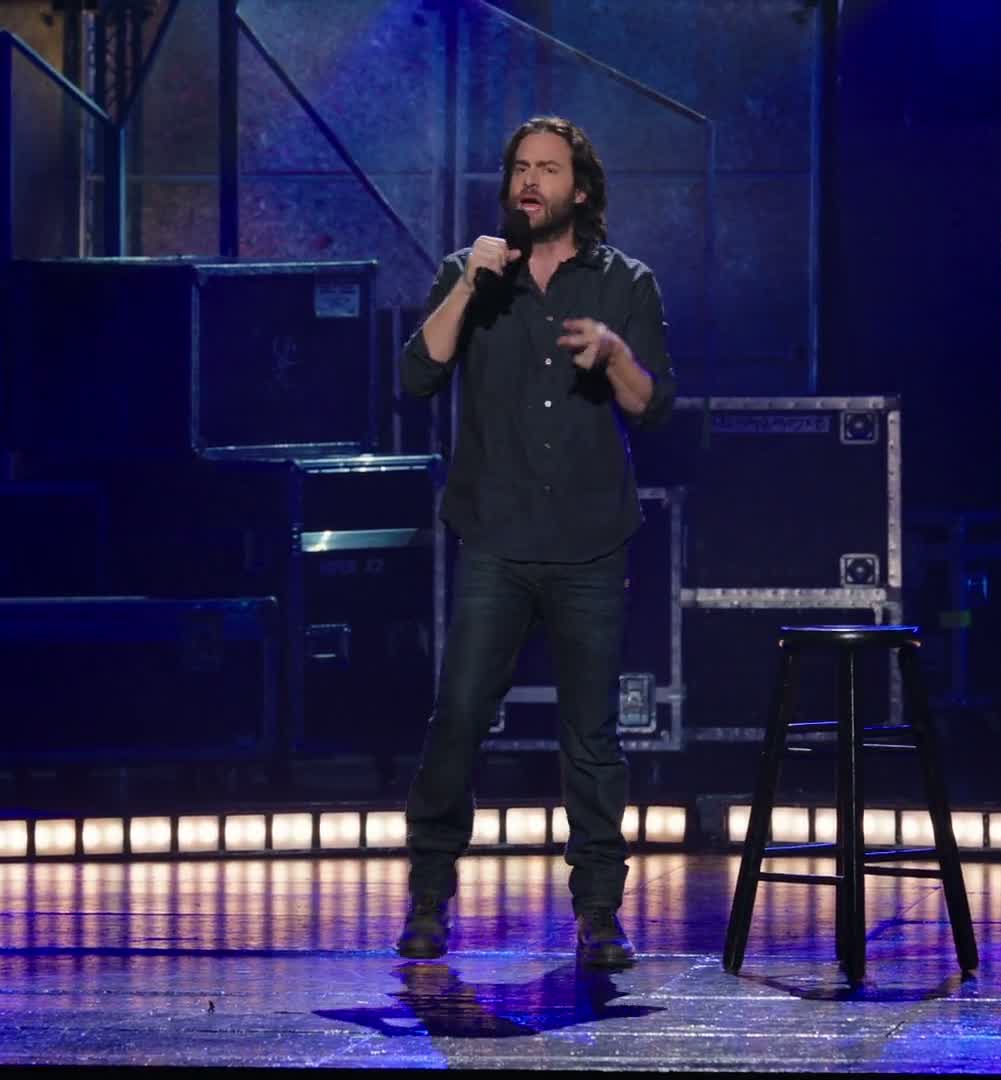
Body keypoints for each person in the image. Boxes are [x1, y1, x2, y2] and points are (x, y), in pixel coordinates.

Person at [395, 115, 677, 968]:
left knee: (592, 734)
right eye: (521, 167)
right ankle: (429, 897)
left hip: (590, 540)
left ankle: (598, 912)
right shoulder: (472, 271)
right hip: (497, 537)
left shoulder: (625, 282)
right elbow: (416, 375)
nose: (530, 181)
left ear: (579, 190)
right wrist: (465, 288)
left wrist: (615, 352)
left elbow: (652, 406)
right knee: (459, 718)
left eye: (548, 169)